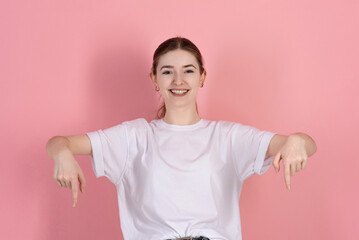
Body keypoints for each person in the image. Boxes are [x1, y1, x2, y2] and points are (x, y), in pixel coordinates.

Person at [46, 36, 317, 240]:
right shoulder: (134, 137)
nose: (178, 80)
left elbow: (306, 144)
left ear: (202, 77)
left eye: (188, 70)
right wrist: (62, 154)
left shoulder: (227, 137)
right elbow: (59, 142)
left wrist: (295, 140)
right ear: (154, 78)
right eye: (167, 71)